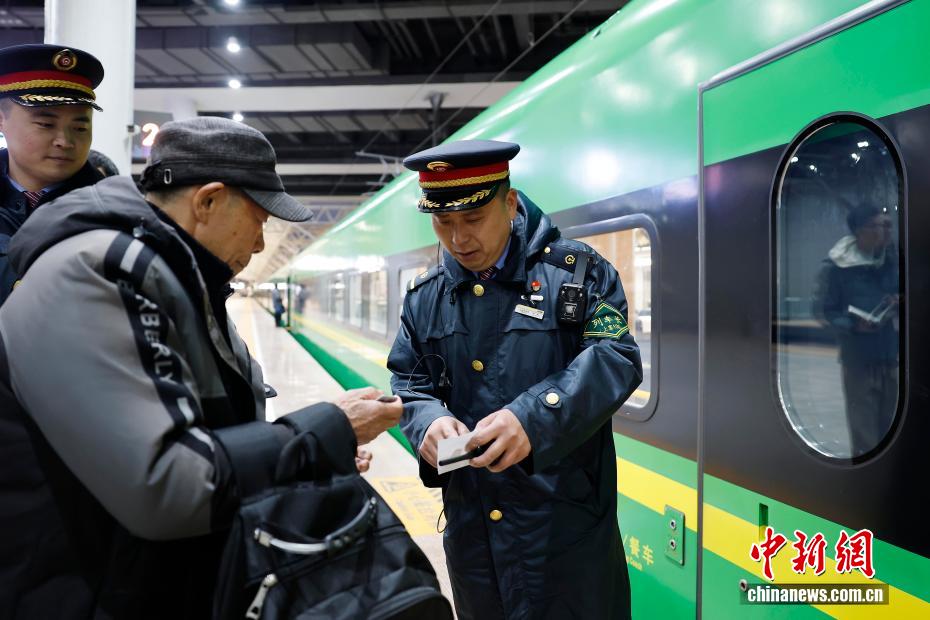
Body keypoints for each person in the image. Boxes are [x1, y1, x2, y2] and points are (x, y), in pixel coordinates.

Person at [0, 117, 403, 618]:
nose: (260, 244)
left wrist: (315, 451)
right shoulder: (95, 274)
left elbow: (197, 434)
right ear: (208, 201)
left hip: (151, 583)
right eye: (259, 220)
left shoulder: (178, 277)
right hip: (92, 593)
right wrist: (321, 433)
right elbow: (169, 485)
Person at [387, 140, 643, 619]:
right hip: (473, 536)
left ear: (509, 202)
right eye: (443, 223)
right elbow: (409, 381)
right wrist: (427, 422)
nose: (458, 239)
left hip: (565, 532)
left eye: (473, 219)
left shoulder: (577, 274)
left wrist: (534, 417)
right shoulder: (424, 298)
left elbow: (618, 356)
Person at [0, 44, 106, 306]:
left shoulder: (115, 215)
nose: (65, 141)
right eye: (46, 124)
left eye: (80, 127)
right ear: (1, 119)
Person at [813, 203, 899, 457]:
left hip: (893, 358)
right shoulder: (836, 268)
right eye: (876, 226)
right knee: (865, 435)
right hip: (858, 361)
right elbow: (823, 312)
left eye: (887, 225)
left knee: (894, 431)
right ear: (858, 232)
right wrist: (852, 325)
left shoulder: (894, 261)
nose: (884, 231)